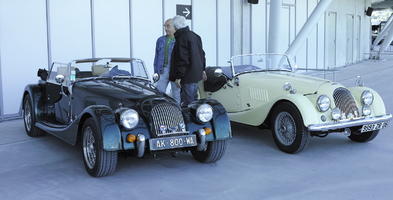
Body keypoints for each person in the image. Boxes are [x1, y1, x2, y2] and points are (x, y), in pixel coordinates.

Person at [169, 15, 207, 106]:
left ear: (176, 27)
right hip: (196, 75)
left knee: (188, 102)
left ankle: (188, 120)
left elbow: (182, 59)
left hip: (187, 76)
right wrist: (203, 70)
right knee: (194, 100)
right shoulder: (195, 36)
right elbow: (202, 54)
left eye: (172, 26)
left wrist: (179, 77)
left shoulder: (181, 38)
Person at [153, 18, 181, 103]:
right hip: (163, 70)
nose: (165, 28)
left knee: (176, 94)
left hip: (175, 71)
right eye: (165, 26)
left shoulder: (179, 40)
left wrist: (180, 75)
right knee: (158, 93)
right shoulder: (160, 40)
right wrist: (156, 71)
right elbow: (156, 57)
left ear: (174, 27)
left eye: (168, 26)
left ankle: (177, 113)